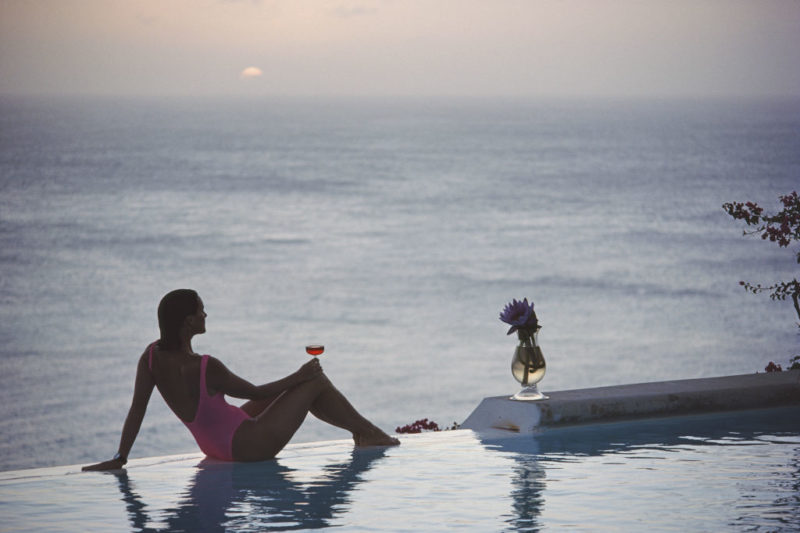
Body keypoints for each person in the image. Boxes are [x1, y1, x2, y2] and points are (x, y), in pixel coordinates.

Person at [83, 289, 398, 471]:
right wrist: (300, 375)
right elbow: (256, 390)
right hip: (248, 446)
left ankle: (361, 432)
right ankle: (368, 432)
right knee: (313, 383)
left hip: (215, 445)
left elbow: (137, 409)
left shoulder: (150, 357)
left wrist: (120, 457)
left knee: (298, 389)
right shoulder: (205, 366)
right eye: (201, 311)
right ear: (188, 322)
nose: (206, 315)